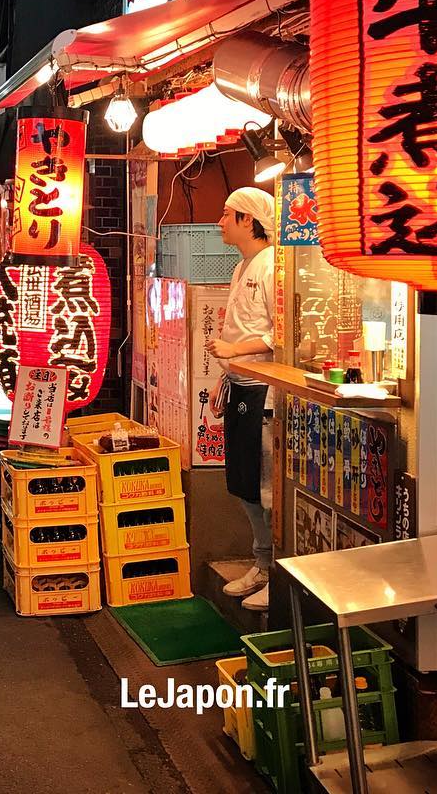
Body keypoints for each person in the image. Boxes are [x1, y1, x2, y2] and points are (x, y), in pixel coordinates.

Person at [207, 187, 276, 614]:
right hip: (240, 386)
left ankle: (276, 571)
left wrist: (236, 353)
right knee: (244, 484)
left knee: (264, 486)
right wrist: (224, 375)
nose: (219, 222)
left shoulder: (271, 267)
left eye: (227, 214)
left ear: (249, 221)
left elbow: (285, 332)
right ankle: (262, 561)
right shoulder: (241, 267)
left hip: (264, 391)